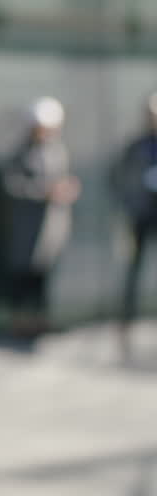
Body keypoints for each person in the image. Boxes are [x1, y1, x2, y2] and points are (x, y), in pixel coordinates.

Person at [2, 97, 79, 338]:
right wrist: (43, 192)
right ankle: (20, 322)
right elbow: (12, 184)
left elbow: (63, 179)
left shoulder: (58, 149)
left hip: (51, 228)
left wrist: (67, 188)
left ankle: (41, 321)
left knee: (44, 276)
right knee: (23, 276)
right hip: (28, 228)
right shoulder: (22, 152)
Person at [112, 92, 157, 358]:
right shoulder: (136, 145)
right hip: (141, 215)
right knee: (134, 270)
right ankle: (126, 323)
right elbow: (117, 176)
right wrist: (130, 201)